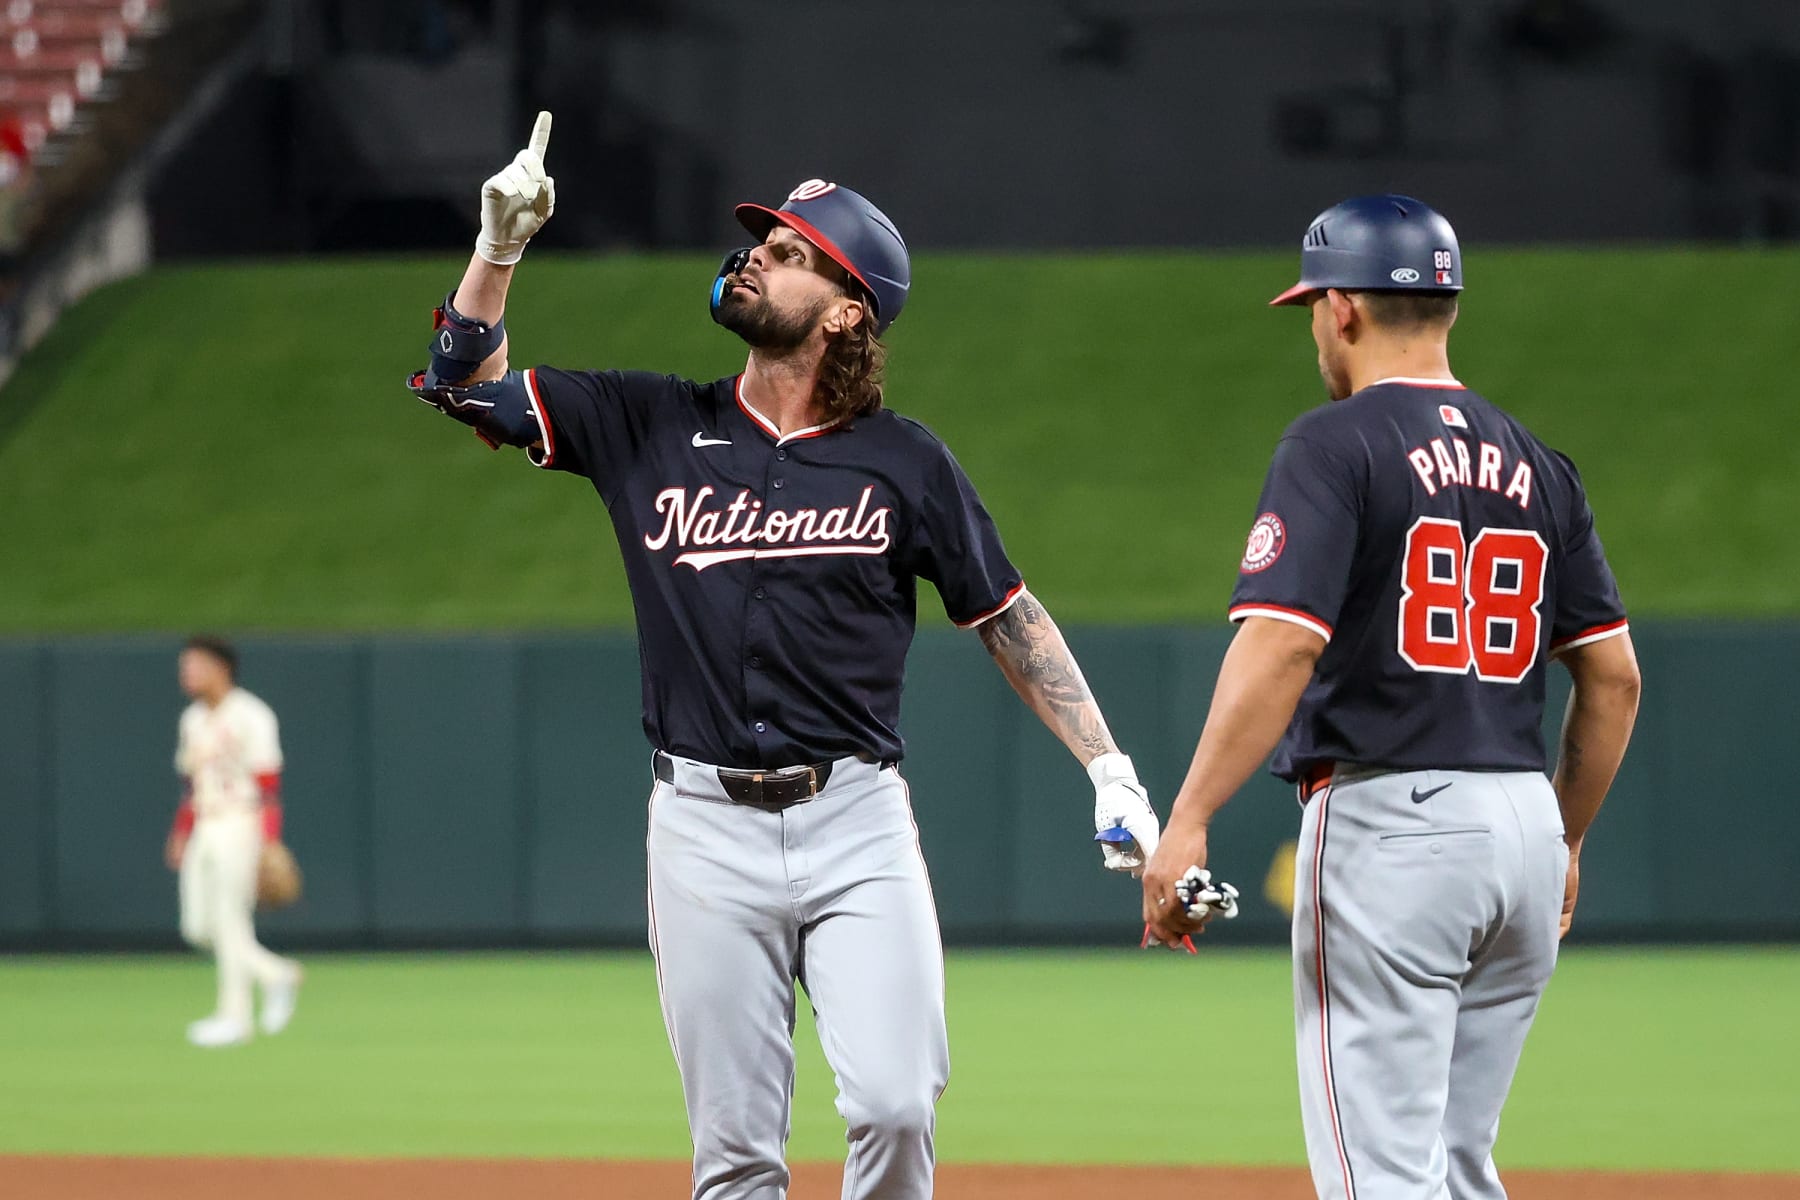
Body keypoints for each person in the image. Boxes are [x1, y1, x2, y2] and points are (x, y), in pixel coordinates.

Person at [403, 112, 1163, 1200]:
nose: (758, 254)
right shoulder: (647, 421)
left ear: (848, 310)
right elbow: (459, 386)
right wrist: (499, 252)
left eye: (792, 252)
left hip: (855, 821)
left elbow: (1005, 614)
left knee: (898, 1111)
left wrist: (1108, 764)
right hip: (703, 827)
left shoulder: (904, 462)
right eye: (763, 241)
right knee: (739, 1162)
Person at [1141, 195, 1641, 1199]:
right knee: (1458, 1166)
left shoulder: (1335, 445)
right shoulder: (1541, 466)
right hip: (1522, 837)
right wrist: (1566, 838)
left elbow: (1282, 646)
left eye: (1316, 307)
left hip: (1393, 830)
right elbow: (1614, 677)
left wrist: (1189, 817)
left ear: (1344, 312)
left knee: (1380, 1179)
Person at [165, 636, 302, 1048]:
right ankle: (277, 974)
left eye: (194, 665)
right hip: (205, 822)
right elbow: (192, 785)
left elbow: (268, 785)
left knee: (230, 919)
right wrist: (181, 830)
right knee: (198, 926)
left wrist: (269, 842)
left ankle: (234, 1017)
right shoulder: (192, 720)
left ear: (220, 667)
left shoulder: (251, 715)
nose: (186, 674)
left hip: (242, 820)